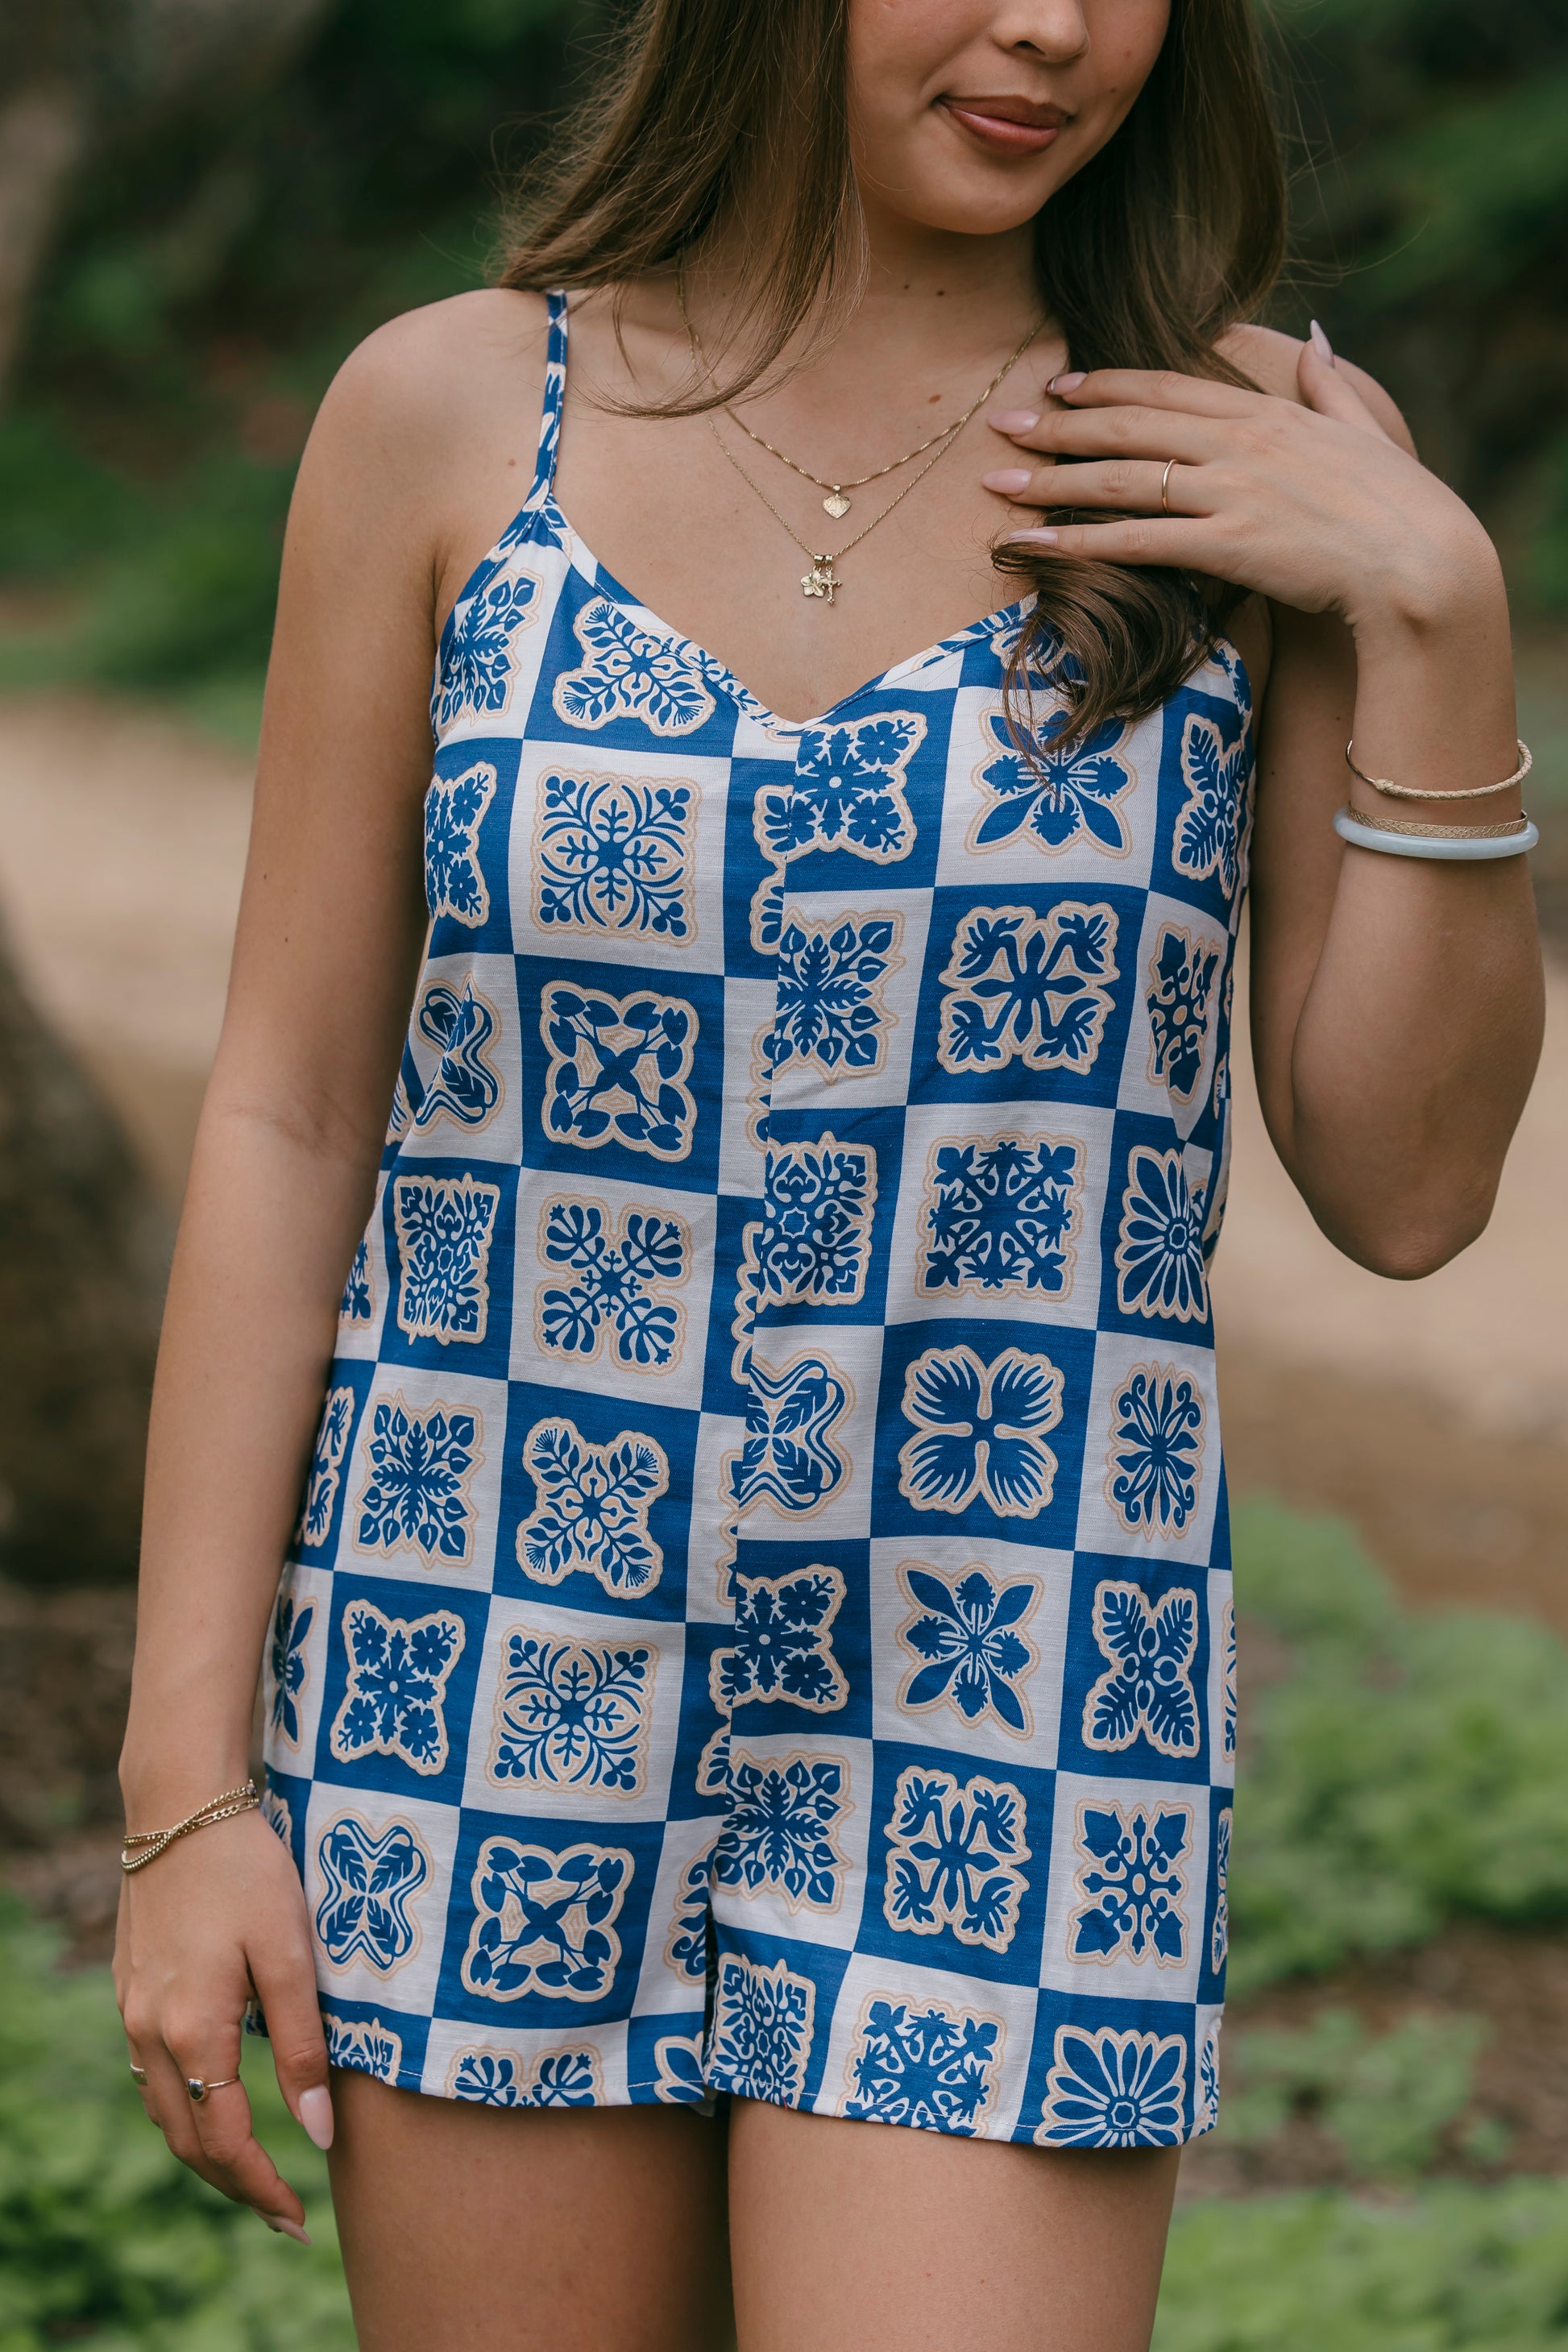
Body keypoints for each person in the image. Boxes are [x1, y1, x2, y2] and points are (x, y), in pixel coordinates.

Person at [112, 1, 1545, 2345]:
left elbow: (1406, 1191)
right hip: (485, 1665)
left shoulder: (1246, 460)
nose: (1053, 26)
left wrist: (1435, 605)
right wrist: (190, 1794)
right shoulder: (449, 415)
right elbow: (289, 1121)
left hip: (1010, 1689)